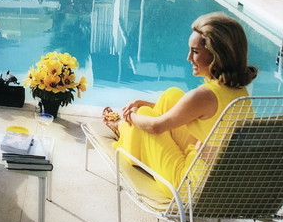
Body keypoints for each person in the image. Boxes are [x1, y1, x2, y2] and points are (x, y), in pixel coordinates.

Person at [103, 12, 257, 198]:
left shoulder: (204, 96)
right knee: (172, 96)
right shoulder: (238, 91)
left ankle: (121, 127)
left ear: (217, 55)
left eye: (195, 51)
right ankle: (130, 133)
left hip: (185, 184)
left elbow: (155, 126)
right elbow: (188, 111)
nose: (188, 58)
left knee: (145, 115)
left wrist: (131, 115)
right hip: (214, 178)